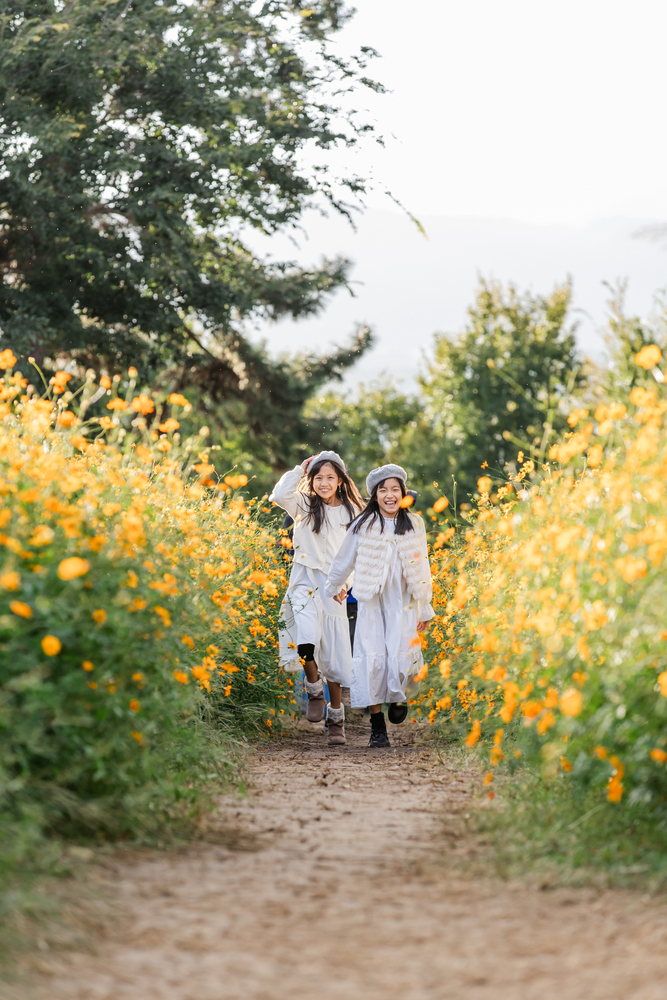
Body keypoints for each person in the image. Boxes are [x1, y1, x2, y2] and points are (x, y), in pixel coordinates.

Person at [324, 464, 434, 748]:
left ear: (404, 494)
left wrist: (424, 608)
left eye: (395, 489)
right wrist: (334, 585)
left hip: (404, 601)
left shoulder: (414, 524)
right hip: (373, 601)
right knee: (372, 656)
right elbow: (344, 557)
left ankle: (398, 696)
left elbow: (423, 566)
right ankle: (377, 727)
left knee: (403, 654)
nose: (389, 495)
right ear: (375, 495)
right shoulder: (363, 524)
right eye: (383, 490)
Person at [270, 451, 365, 745]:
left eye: (330, 478)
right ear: (312, 480)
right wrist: (301, 467)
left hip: (333, 588)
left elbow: (354, 555)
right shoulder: (304, 505)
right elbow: (278, 494)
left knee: (335, 657)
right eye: (319, 478)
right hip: (303, 583)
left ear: (340, 481)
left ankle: (336, 719)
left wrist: (345, 584)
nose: (324, 483)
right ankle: (313, 688)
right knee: (305, 639)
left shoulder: (352, 512)